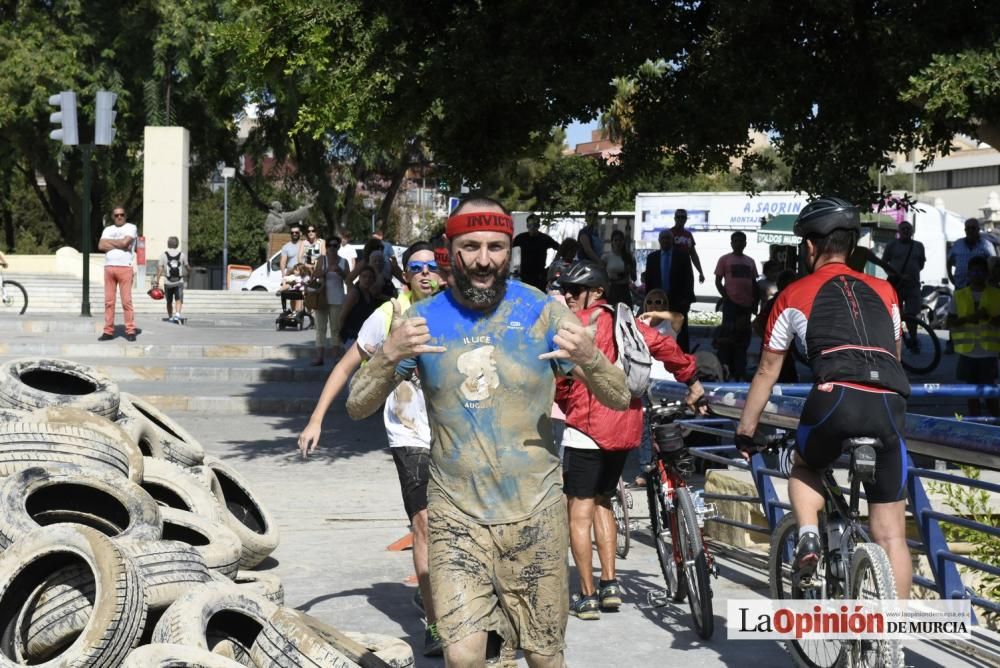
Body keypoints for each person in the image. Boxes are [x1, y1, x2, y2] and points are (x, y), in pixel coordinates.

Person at [346, 196, 630, 668]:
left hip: (535, 514)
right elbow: (358, 405)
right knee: (463, 657)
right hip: (456, 516)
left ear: (509, 250)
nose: (483, 260)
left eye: (496, 247)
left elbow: (619, 396)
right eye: (471, 246)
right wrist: (390, 354)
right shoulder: (423, 320)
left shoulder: (542, 312)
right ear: (449, 250)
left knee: (543, 657)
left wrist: (591, 357)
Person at [735, 196, 912, 600]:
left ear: (810, 247)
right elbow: (896, 358)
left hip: (834, 400)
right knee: (891, 535)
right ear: (851, 245)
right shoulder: (886, 291)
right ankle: (893, 647)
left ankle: (810, 537)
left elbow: (767, 370)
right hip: (889, 403)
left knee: (805, 466)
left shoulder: (792, 295)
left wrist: (746, 430)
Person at [298, 242, 446, 655]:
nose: (425, 274)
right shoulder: (390, 316)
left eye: (432, 266)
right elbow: (346, 366)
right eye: (416, 267)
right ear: (406, 275)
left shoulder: (457, 314)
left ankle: (443, 599)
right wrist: (316, 419)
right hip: (410, 436)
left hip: (455, 436)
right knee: (425, 525)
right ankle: (435, 626)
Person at [554, 262, 704, 620]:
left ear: (597, 292)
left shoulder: (575, 327)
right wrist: (692, 380)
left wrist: (566, 402)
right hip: (625, 429)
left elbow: (560, 379)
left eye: (576, 290)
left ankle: (587, 596)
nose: (569, 296)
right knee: (604, 500)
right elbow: (665, 346)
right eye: (566, 290)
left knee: (579, 510)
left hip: (587, 428)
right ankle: (610, 586)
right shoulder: (629, 324)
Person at [633, 289, 685, 487]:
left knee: (669, 425)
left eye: (659, 302)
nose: (654, 305)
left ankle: (673, 465)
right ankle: (646, 468)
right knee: (643, 426)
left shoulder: (669, 324)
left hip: (666, 385)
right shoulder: (638, 326)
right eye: (650, 302)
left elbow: (679, 316)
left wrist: (656, 314)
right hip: (644, 380)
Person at [948, 255, 1000, 418]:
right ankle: (974, 423)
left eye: (981, 271)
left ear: (987, 274)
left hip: (988, 353)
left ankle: (996, 422)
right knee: (971, 392)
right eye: (974, 271)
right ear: (968, 273)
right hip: (967, 352)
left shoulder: (996, 294)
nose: (977, 274)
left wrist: (988, 318)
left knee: (990, 392)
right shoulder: (959, 295)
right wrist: (968, 319)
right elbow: (951, 322)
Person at [714, 231, 759, 380]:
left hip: (746, 306)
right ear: (731, 243)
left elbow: (754, 284)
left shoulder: (751, 261)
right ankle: (727, 368)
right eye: (736, 241)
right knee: (727, 337)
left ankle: (740, 369)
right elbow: (718, 281)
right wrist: (726, 297)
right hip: (730, 306)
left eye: (741, 241)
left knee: (743, 339)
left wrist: (755, 303)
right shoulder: (724, 259)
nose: (739, 243)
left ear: (745, 243)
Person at [881, 220, 926, 349]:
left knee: (912, 314)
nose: (906, 231)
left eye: (908, 229)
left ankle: (913, 339)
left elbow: (921, 264)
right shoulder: (891, 245)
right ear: (899, 231)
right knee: (896, 314)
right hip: (896, 285)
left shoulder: (919, 246)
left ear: (912, 231)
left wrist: (911, 274)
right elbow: (884, 262)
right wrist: (896, 275)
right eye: (903, 229)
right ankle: (897, 340)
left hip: (913, 285)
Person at [667, 209, 706, 353]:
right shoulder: (669, 233)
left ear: (686, 219)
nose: (681, 219)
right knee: (670, 313)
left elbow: (693, 254)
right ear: (674, 217)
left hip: (686, 274)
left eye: (683, 217)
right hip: (672, 274)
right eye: (679, 216)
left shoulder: (688, 235)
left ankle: (684, 349)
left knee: (684, 313)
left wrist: (700, 271)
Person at [97, 206, 138, 342]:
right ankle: (108, 331)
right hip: (109, 268)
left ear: (125, 216)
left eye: (122, 214)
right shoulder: (108, 229)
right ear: (113, 217)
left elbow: (126, 242)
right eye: (116, 215)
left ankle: (130, 330)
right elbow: (101, 246)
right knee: (109, 302)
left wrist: (111, 243)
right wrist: (119, 244)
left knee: (126, 301)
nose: (119, 217)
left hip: (125, 268)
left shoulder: (131, 227)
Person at [753, 269, 799, 384]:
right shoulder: (778, 302)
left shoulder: (788, 301)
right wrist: (770, 340)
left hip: (783, 351)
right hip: (775, 351)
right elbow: (757, 323)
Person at [310, 235, 350, 366]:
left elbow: (349, 280)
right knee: (320, 329)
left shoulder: (343, 262)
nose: (332, 248)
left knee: (336, 329)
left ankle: (336, 358)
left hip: (337, 299)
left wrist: (341, 272)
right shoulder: (322, 259)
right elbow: (315, 275)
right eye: (329, 246)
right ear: (326, 247)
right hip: (322, 298)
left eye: (335, 246)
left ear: (338, 247)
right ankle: (319, 357)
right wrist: (326, 270)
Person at [512, 214, 559, 292]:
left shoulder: (545, 238)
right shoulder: (521, 237)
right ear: (527, 225)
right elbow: (507, 247)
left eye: (535, 225)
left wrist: (552, 265)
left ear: (538, 225)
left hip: (540, 276)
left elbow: (561, 248)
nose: (533, 227)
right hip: (525, 276)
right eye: (530, 225)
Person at [948, 218, 996, 290]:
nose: (970, 230)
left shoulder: (987, 245)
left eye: (973, 228)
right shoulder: (958, 244)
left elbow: (993, 265)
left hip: (980, 287)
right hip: (960, 285)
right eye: (968, 228)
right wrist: (950, 276)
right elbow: (949, 262)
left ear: (978, 229)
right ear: (965, 230)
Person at [338, 265, 380, 345]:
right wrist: (340, 334)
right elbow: (342, 315)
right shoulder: (355, 293)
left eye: (370, 277)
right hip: (351, 336)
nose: (367, 279)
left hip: (363, 337)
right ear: (359, 278)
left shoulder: (370, 294)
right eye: (364, 276)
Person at [154, 236, 190, 323]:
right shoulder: (182, 255)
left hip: (168, 282)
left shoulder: (163, 255)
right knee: (178, 299)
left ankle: (170, 317)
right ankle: (177, 315)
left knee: (169, 301)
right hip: (179, 281)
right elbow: (187, 266)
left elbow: (160, 269)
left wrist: (157, 281)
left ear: (168, 244)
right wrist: (189, 272)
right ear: (177, 244)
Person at [601, 229, 637, 308]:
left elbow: (634, 278)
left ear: (623, 242)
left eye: (620, 240)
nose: (618, 242)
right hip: (611, 290)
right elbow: (601, 276)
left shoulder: (629, 257)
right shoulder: (606, 257)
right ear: (612, 242)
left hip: (625, 290)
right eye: (616, 240)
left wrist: (629, 270)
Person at [279, 224, 304, 313]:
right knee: (292, 297)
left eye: (296, 232)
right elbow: (283, 262)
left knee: (298, 296)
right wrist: (283, 276)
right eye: (292, 232)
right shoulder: (286, 246)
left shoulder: (304, 244)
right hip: (291, 274)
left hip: (302, 274)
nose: (294, 234)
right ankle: (294, 315)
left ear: (300, 233)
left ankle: (298, 314)